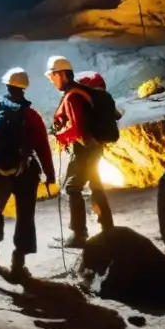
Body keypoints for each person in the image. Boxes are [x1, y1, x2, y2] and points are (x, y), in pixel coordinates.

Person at [0, 67, 56, 280]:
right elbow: (42, 147)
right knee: (25, 215)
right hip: (26, 172)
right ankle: (18, 264)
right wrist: (50, 174)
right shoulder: (31, 115)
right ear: (24, 88)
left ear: (6, 85)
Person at [46, 55, 114, 247]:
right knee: (95, 184)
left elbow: (76, 128)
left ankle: (79, 235)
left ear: (62, 75)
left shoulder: (72, 95)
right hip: (94, 146)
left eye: (53, 75)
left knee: (72, 188)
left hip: (83, 149)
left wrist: (59, 135)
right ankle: (108, 228)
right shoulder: (81, 92)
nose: (52, 80)